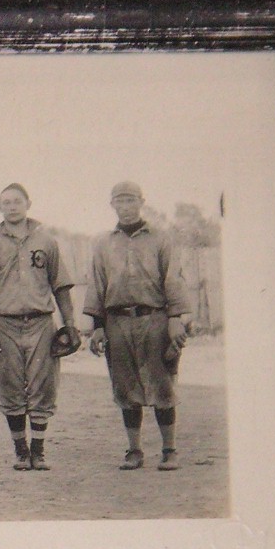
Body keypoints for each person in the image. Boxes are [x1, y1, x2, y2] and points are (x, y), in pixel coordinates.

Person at [83, 181, 195, 471]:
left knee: (162, 382)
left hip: (154, 318)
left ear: (142, 202)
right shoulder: (103, 243)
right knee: (125, 386)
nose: (125, 207)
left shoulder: (161, 239)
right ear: (112, 205)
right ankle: (134, 450)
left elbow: (173, 279)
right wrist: (97, 326)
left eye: (131, 200)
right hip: (117, 321)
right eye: (119, 201)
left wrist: (175, 319)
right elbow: (97, 284)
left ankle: (169, 450)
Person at [0, 183, 78, 472]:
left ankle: (39, 451)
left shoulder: (46, 242)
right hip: (4, 323)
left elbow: (61, 286)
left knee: (43, 384)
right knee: (9, 385)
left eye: (17, 201)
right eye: (6, 202)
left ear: (28, 204)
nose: (12, 207)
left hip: (40, 322)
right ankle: (21, 450)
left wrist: (70, 325)